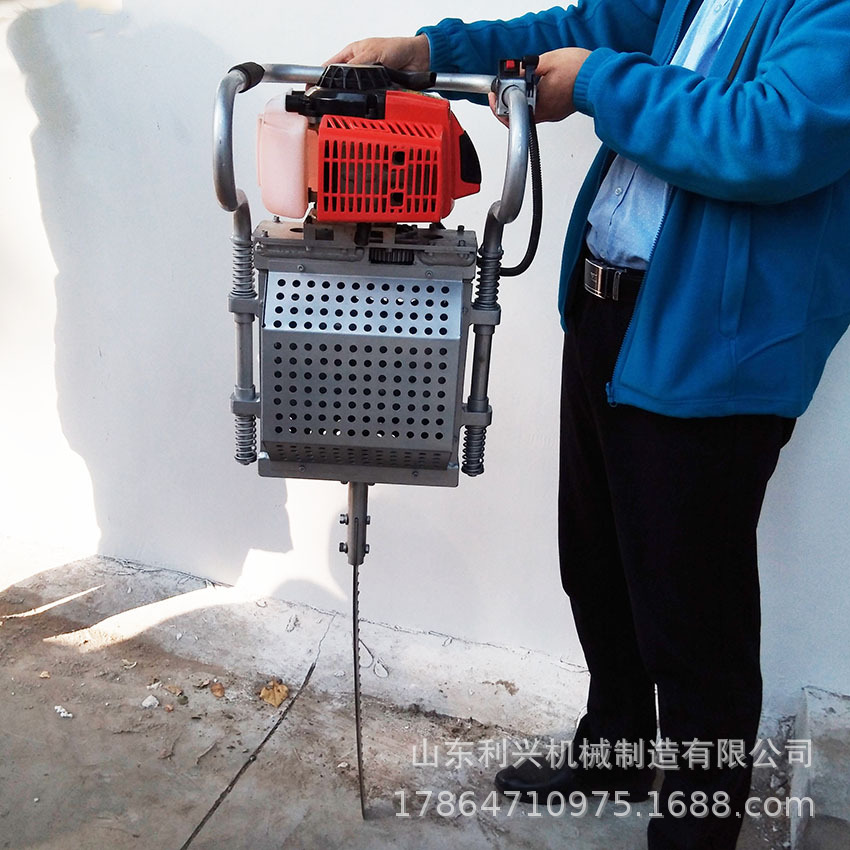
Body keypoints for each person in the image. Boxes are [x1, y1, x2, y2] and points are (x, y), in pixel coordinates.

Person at [329, 1, 850, 847]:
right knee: (598, 565)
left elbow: (773, 135)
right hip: (613, 316)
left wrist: (600, 82)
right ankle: (614, 747)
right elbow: (597, 22)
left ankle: (696, 831)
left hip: (710, 348)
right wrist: (430, 54)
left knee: (694, 626)